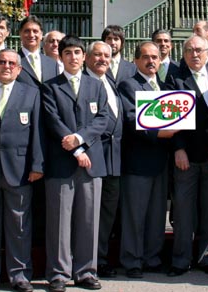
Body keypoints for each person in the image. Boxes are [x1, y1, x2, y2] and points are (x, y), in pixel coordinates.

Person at [0, 49, 44, 292]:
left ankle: (20, 275)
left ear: (19, 69)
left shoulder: (32, 93)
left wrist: (37, 165)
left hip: (21, 170)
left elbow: (37, 133)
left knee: (20, 226)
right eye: (1, 62)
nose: (6, 66)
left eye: (12, 63)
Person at [42, 36, 109, 292]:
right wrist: (75, 148)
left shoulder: (97, 86)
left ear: (84, 56)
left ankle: (86, 272)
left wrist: (80, 140)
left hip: (91, 163)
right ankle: (58, 274)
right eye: (67, 52)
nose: (73, 57)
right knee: (59, 221)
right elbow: (52, 119)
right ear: (60, 56)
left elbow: (103, 119)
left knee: (89, 220)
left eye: (77, 52)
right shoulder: (50, 87)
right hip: (61, 163)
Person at [117, 41, 176, 278]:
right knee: (135, 216)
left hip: (161, 162)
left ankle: (152, 258)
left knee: (156, 214)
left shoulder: (165, 87)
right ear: (136, 61)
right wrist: (161, 133)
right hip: (137, 162)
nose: (151, 61)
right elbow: (132, 120)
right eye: (146, 57)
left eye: (155, 57)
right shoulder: (128, 85)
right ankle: (132, 261)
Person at [167, 35, 208, 276]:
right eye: (189, 50)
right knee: (183, 210)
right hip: (186, 156)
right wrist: (178, 148)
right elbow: (170, 118)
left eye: (199, 50)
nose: (195, 54)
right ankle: (181, 259)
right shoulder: (175, 79)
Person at [84, 41, 124, 279]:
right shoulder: (83, 83)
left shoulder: (110, 82)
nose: (102, 59)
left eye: (106, 56)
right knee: (89, 214)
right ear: (88, 58)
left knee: (107, 213)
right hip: (91, 158)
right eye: (97, 55)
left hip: (114, 161)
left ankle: (99, 259)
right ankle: (86, 262)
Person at [17, 16, 59, 87]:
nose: (31, 35)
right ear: (20, 34)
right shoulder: (13, 61)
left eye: (35, 31)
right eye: (27, 31)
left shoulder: (53, 64)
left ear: (41, 34)